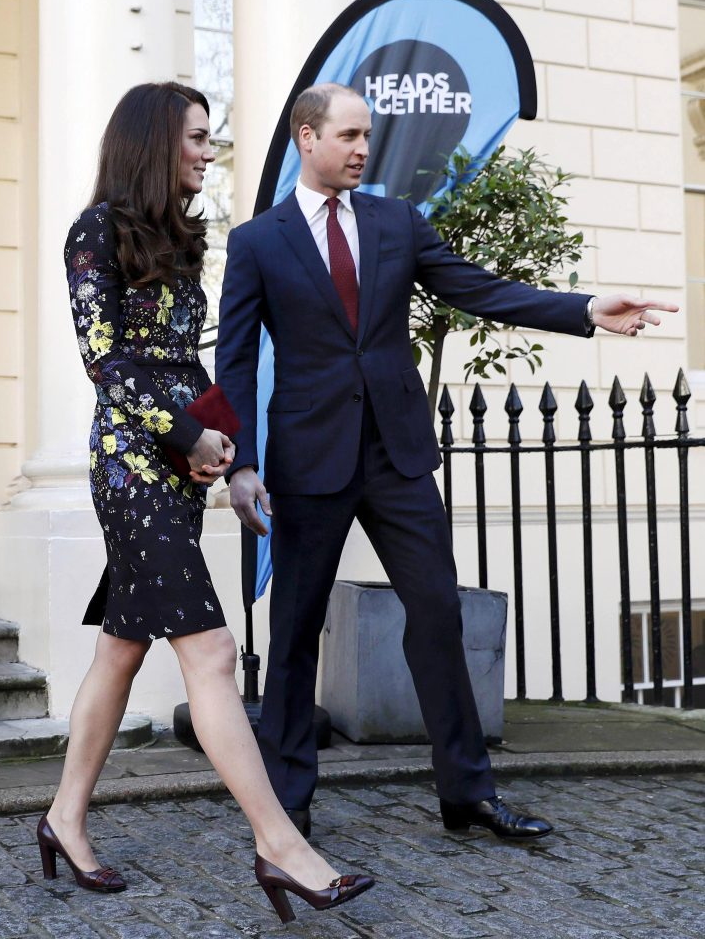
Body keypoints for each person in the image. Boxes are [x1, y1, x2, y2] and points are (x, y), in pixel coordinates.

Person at [216, 82, 678, 842]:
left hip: (396, 456)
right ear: (307, 137)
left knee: (436, 613)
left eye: (369, 136)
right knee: (295, 633)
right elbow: (234, 361)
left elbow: (480, 290)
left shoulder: (398, 221)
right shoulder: (258, 242)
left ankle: (467, 794)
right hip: (306, 460)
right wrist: (240, 465)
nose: (364, 148)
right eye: (350, 135)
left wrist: (586, 309)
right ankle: (289, 805)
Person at [41, 81, 373, 924]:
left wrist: (220, 446)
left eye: (210, 137)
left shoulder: (181, 239)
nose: (208, 150)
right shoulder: (96, 230)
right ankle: (280, 845)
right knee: (215, 651)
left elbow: (189, 364)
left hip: (179, 468)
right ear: (156, 141)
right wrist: (184, 437)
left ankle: (63, 819)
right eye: (196, 137)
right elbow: (107, 363)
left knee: (122, 650)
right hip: (128, 471)